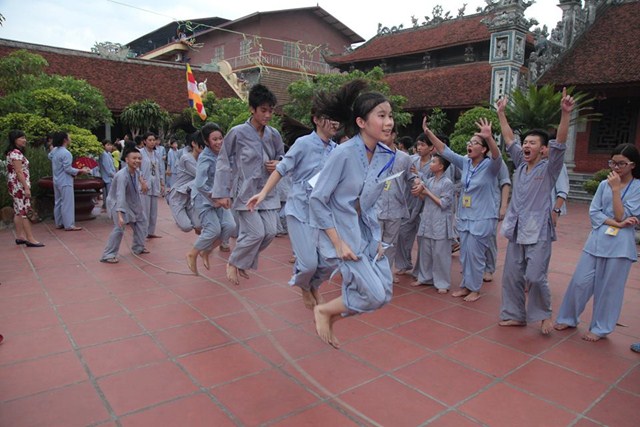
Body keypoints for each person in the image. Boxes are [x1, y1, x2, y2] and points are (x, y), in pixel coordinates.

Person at [309, 81, 396, 348]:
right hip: (343, 233)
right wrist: (338, 243)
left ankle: (332, 315)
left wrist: (377, 238)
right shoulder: (343, 154)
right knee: (373, 294)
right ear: (361, 122)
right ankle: (324, 310)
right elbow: (317, 199)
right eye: (381, 116)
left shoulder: (385, 156)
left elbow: (372, 201)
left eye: (390, 115)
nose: (389, 122)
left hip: (368, 232)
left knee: (384, 294)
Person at [247, 104, 342, 309]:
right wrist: (263, 193)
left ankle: (313, 285)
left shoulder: (337, 150)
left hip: (324, 213)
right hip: (300, 210)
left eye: (337, 119)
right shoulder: (303, 144)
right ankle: (304, 286)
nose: (335, 123)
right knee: (308, 264)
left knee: (331, 261)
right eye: (330, 118)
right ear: (316, 120)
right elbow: (281, 169)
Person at [496, 89, 575, 334]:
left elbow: (560, 143)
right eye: (525, 142)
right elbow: (509, 138)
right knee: (511, 276)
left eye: (532, 143)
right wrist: (501, 114)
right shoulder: (521, 164)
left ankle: (543, 314)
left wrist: (565, 114)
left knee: (535, 276)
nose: (526, 146)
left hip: (538, 230)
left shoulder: (550, 168)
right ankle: (514, 315)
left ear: (543, 149)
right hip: (517, 229)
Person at [555, 143, 640, 341]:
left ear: (633, 165)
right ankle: (568, 317)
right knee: (580, 282)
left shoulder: (637, 187)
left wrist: (616, 190)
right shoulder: (603, 185)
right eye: (613, 163)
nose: (616, 167)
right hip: (597, 240)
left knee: (610, 290)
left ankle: (601, 328)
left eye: (621, 164)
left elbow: (622, 215)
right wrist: (616, 224)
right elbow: (594, 212)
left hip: (620, 247)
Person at [422, 115, 502, 302]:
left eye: (474, 143)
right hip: (465, 216)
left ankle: (475, 289)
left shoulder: (491, 166)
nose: (469, 145)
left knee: (476, 255)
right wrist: (428, 133)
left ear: (483, 149)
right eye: (469, 142)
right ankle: (466, 286)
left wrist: (489, 137)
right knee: (465, 254)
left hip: (482, 217)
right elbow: (445, 150)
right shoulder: (466, 162)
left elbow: (497, 155)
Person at [211, 84, 284, 285]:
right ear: (252, 109)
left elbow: (283, 157)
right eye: (263, 110)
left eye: (271, 110)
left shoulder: (274, 134)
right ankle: (234, 262)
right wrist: (222, 192)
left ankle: (243, 262)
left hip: (268, 192)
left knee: (270, 232)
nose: (268, 115)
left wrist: (278, 163)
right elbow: (223, 161)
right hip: (246, 192)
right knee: (256, 233)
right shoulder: (237, 133)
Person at [186, 124, 236, 274]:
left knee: (230, 226)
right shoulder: (205, 158)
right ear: (207, 141)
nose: (219, 142)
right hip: (203, 197)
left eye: (221, 138)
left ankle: (206, 251)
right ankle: (192, 253)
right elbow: (200, 184)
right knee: (213, 229)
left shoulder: (224, 154)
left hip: (219, 196)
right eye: (214, 139)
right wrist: (216, 198)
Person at [377, 128, 417, 283]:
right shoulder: (372, 154)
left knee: (390, 244)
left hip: (396, 207)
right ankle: (373, 274)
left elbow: (411, 177)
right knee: (374, 242)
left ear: (394, 135)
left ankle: (386, 273)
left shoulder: (404, 158)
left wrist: (418, 183)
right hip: (375, 206)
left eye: (387, 133)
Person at [412, 154, 455, 293]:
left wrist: (426, 192)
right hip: (428, 219)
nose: (430, 164)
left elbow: (443, 203)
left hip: (440, 221)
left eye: (433, 162)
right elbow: (423, 197)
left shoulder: (447, 183)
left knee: (440, 254)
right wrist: (418, 190)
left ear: (441, 166)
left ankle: (442, 283)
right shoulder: (430, 181)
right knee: (425, 251)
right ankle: (425, 277)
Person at [100, 145, 149, 263]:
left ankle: (138, 247)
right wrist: (120, 215)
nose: (137, 161)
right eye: (134, 158)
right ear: (127, 160)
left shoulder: (136, 171)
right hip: (117, 202)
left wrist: (143, 183)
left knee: (142, 221)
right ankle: (108, 255)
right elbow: (120, 195)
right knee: (119, 228)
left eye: (139, 158)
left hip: (131, 201)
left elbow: (140, 179)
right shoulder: (122, 176)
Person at [395, 133, 434, 278]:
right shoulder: (410, 160)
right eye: (418, 144)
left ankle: (421, 271)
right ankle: (403, 264)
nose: (419, 148)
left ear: (431, 147)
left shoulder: (436, 163)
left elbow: (436, 183)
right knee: (402, 234)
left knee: (423, 240)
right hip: (409, 202)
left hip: (426, 205)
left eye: (423, 145)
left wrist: (419, 175)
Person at [5, 130, 44, 247]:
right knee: (24, 211)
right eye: (21, 138)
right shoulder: (16, 153)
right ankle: (30, 238)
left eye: (24, 138)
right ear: (15, 140)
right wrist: (26, 187)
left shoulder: (11, 152)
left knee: (18, 211)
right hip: (19, 186)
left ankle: (20, 236)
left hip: (14, 185)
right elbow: (19, 171)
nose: (24, 140)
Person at [49, 131, 89, 231]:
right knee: (67, 203)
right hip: (65, 180)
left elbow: (49, 156)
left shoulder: (54, 151)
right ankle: (69, 224)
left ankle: (59, 223)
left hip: (56, 179)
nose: (70, 139)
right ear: (65, 140)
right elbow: (68, 169)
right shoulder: (66, 153)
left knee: (58, 201)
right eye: (69, 137)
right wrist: (81, 170)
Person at [482, 159, 511, 283]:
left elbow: (505, 183)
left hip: (491, 206)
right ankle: (475, 265)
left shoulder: (497, 161)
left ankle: (489, 268)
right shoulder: (469, 159)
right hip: (473, 206)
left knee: (489, 238)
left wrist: (503, 207)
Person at [166, 133, 201, 234]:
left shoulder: (202, 158)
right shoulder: (186, 158)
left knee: (199, 225)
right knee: (187, 227)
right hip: (178, 196)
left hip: (190, 197)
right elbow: (201, 177)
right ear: (194, 144)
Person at [138, 132, 165, 239]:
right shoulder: (140, 153)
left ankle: (151, 231)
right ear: (144, 141)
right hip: (145, 184)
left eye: (154, 140)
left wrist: (162, 183)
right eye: (150, 140)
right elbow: (137, 169)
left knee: (153, 210)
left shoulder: (156, 153)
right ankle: (143, 232)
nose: (152, 142)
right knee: (145, 210)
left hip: (155, 183)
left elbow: (160, 168)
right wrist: (142, 182)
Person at [98, 139, 117, 212]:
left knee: (109, 195)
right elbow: (108, 169)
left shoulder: (108, 154)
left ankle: (108, 208)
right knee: (109, 195)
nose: (110, 146)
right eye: (108, 145)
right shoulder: (104, 155)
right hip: (107, 178)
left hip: (110, 177)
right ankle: (109, 209)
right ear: (103, 146)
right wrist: (114, 175)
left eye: (110, 145)